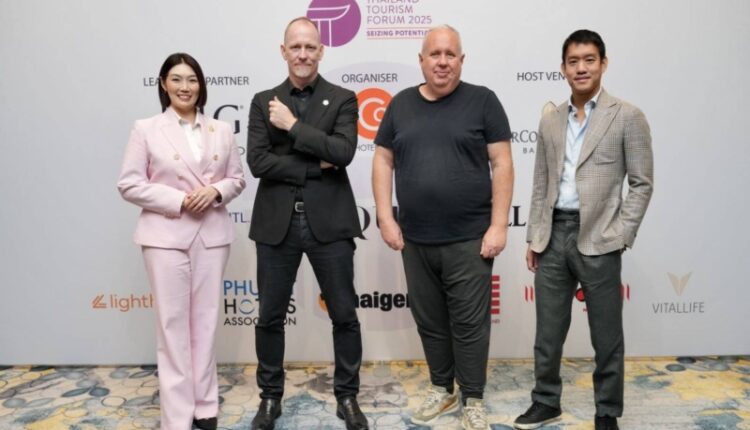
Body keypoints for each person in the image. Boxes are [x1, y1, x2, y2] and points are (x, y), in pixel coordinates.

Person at [372, 25, 514, 430]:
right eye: (435, 54)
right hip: (415, 239)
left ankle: (472, 397)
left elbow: (502, 162)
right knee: (431, 322)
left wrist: (499, 225)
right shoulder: (400, 104)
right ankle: (441, 387)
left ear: (461, 60)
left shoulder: (483, 101)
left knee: (470, 325)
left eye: (450, 54)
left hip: (470, 239)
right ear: (421, 60)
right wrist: (385, 217)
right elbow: (382, 160)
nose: (442, 61)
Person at [513, 30, 653, 430]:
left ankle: (607, 411)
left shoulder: (627, 116)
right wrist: (534, 235)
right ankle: (546, 402)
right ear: (563, 68)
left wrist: (622, 233)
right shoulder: (550, 120)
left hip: (600, 237)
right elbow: (541, 181)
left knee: (606, 336)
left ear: (603, 64)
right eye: (573, 61)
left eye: (589, 59)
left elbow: (642, 183)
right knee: (548, 332)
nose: (581, 68)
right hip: (553, 235)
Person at [245, 17, 367, 430]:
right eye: (295, 47)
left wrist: (292, 127)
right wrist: (316, 164)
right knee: (269, 317)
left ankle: (347, 397)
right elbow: (258, 162)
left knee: (344, 314)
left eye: (310, 47)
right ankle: (270, 398)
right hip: (276, 225)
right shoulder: (263, 101)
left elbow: (343, 152)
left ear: (321, 51)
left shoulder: (343, 98)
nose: (302, 54)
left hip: (329, 223)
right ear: (283, 51)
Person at [117, 52, 246, 430]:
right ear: (163, 84)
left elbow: (237, 179)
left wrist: (216, 191)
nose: (185, 87)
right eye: (176, 79)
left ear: (201, 85)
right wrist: (179, 200)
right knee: (172, 326)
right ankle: (176, 415)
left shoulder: (221, 129)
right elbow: (128, 183)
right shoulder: (146, 128)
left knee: (205, 323)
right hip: (165, 237)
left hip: (212, 235)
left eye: (192, 79)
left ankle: (205, 406)